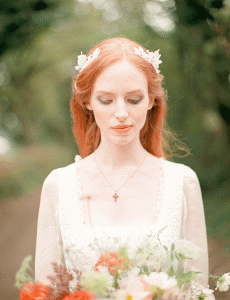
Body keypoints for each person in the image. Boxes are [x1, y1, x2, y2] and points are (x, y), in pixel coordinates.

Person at [35, 37, 209, 294]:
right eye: (106, 100)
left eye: (134, 99)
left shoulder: (182, 183)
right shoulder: (58, 186)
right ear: (88, 102)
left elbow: (197, 291)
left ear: (151, 100)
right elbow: (45, 292)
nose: (121, 113)